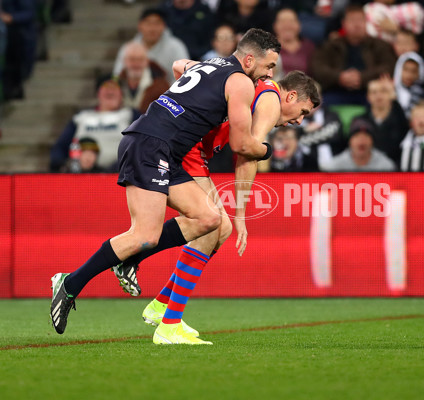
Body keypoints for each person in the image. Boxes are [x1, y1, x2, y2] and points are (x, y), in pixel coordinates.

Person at [50, 29, 281, 342]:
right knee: (144, 235)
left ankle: (132, 260)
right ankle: (70, 283)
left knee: (209, 219)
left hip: (162, 149)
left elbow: (177, 65)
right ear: (250, 59)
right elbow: (241, 145)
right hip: (150, 145)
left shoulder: (209, 64)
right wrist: (269, 149)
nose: (270, 74)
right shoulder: (240, 81)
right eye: (269, 67)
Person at [114, 71, 320, 344]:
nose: (299, 120)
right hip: (188, 150)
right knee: (212, 226)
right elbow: (248, 154)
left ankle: (161, 304)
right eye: (302, 111)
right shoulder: (271, 101)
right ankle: (168, 323)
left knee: (219, 229)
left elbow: (181, 66)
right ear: (291, 96)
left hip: (188, 147)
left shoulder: (257, 88)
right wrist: (242, 216)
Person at [49, 77, 141, 173]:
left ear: (121, 95)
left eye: (114, 88)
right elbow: (60, 147)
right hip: (83, 174)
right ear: (98, 93)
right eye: (106, 87)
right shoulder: (81, 117)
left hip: (119, 175)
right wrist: (59, 165)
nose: (110, 90)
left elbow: (142, 145)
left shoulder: (130, 115)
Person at [311, 4, 396, 105]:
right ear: (343, 23)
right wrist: (339, 77)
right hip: (335, 92)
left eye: (360, 20)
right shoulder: (331, 45)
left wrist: (362, 77)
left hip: (369, 92)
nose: (357, 24)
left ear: (366, 23)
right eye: (352, 20)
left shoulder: (379, 45)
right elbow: (317, 67)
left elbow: (389, 66)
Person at [113, 7, 189, 84]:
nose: (152, 28)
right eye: (148, 23)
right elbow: (117, 74)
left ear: (164, 26)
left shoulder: (176, 47)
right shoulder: (128, 48)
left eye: (157, 23)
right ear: (140, 25)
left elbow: (185, 76)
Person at [358, 76, 407, 164]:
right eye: (374, 92)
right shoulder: (360, 121)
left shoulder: (400, 118)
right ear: (368, 97)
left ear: (391, 95)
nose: (378, 95)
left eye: (383, 91)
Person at [320, 117, 396, 172]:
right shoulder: (334, 167)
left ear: (372, 141)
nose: (361, 140)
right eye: (357, 136)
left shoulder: (385, 167)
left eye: (366, 136)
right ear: (350, 141)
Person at [117, 41, 170, 113]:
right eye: (132, 59)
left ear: (147, 61)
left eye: (140, 59)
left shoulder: (162, 87)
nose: (136, 64)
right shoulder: (116, 84)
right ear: (124, 61)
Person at [273, 8, 315, 76]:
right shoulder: (268, 47)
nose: (287, 25)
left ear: (299, 25)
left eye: (291, 21)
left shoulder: (308, 47)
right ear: (275, 26)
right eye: (282, 21)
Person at [393, 51, 424, 118]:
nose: (409, 75)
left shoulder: (421, 95)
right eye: (406, 70)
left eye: (413, 71)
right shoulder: (391, 90)